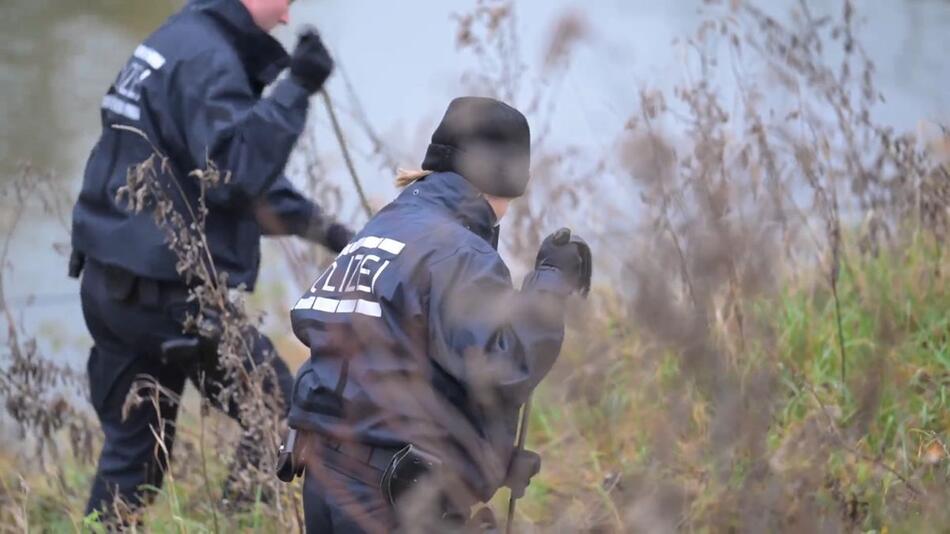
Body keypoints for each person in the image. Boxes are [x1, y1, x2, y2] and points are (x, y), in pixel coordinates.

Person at [69, 0, 352, 518]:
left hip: (110, 284)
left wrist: (333, 233)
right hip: (169, 298)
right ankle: (237, 521)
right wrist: (296, 88)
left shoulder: (178, 38)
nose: (287, 18)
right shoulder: (210, 58)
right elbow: (233, 172)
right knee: (285, 418)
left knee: (134, 460)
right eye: (285, 3)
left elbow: (208, 169)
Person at [284, 96, 592, 533]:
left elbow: (390, 366)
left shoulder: (387, 225)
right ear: (502, 179)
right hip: (390, 496)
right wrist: (549, 285)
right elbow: (503, 369)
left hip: (327, 475)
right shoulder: (459, 250)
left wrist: (487, 459)